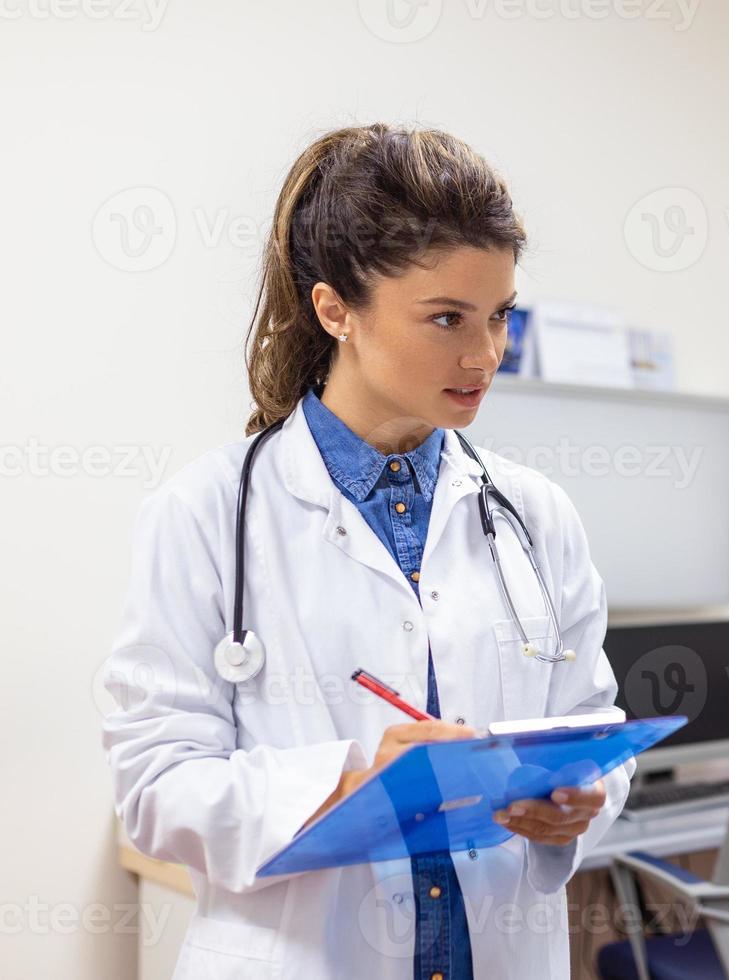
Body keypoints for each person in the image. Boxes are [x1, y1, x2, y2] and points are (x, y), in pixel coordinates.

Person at [101, 124, 631, 979]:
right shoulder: (205, 514)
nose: (484, 354)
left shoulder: (537, 514)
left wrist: (581, 800)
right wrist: (352, 786)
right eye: (446, 318)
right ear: (334, 309)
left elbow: (597, 728)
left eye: (499, 316)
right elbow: (156, 791)